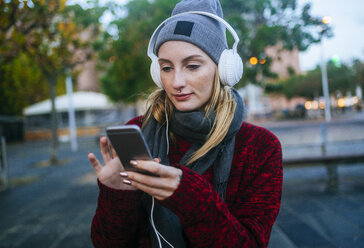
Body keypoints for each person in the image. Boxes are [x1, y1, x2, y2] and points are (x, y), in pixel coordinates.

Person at [88, 0, 283, 247]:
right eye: (166, 68)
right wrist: (116, 194)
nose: (176, 82)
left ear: (223, 70)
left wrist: (189, 196)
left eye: (192, 66)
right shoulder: (138, 130)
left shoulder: (260, 147)